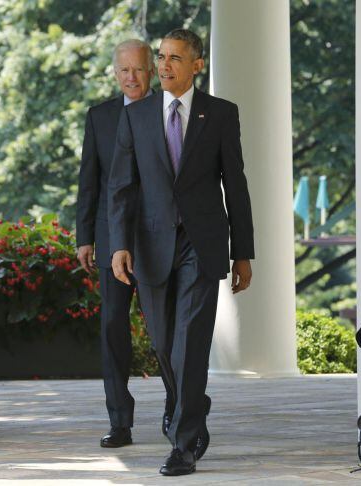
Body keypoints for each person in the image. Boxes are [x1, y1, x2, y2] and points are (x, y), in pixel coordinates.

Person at [107, 28, 254, 476]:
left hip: (202, 246)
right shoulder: (136, 116)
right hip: (151, 247)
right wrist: (119, 246)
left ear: (197, 65)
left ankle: (184, 444)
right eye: (162, 57)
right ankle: (189, 402)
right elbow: (121, 187)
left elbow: (237, 185)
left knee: (189, 345)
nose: (165, 65)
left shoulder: (221, 114)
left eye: (175, 58)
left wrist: (243, 251)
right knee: (165, 345)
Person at [75, 39, 164, 448]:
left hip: (158, 239)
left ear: (152, 71)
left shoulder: (169, 112)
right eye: (124, 70)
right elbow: (88, 181)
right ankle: (120, 422)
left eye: (139, 69)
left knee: (164, 331)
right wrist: (84, 238)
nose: (131, 77)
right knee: (112, 328)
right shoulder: (100, 117)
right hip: (112, 242)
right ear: (115, 73)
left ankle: (177, 413)